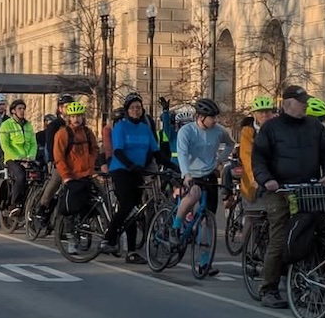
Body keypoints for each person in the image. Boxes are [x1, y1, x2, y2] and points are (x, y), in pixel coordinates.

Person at [252, 85, 325, 309]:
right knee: (280, 236)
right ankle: (269, 288)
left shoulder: (314, 126)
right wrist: (267, 179)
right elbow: (259, 159)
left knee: (314, 230)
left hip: (308, 189)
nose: (305, 105)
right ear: (287, 103)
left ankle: (308, 280)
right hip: (279, 189)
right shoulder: (270, 128)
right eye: (302, 102)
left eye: (305, 101)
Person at [173, 98, 234, 275]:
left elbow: (230, 144)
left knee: (207, 220)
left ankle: (204, 262)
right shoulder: (187, 131)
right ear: (200, 117)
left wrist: (220, 160)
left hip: (208, 174)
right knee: (193, 195)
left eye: (216, 117)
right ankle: (176, 225)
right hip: (190, 173)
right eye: (211, 117)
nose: (215, 120)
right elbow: (182, 154)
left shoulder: (218, 131)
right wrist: (186, 174)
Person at [100, 93, 161, 264]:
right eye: (133, 107)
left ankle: (132, 252)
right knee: (127, 206)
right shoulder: (121, 127)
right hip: (121, 171)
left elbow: (156, 152)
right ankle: (108, 238)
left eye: (138, 108)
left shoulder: (145, 129)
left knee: (134, 212)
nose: (136, 110)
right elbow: (118, 150)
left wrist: (174, 168)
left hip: (137, 172)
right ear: (127, 110)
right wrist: (130, 165)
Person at [54, 100, 99, 223]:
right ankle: (69, 230)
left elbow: (94, 149)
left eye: (79, 116)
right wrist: (66, 176)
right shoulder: (62, 134)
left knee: (97, 199)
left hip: (87, 173)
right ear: (69, 118)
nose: (76, 119)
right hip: (72, 175)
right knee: (72, 206)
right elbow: (59, 157)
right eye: (73, 116)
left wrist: (91, 163)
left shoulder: (88, 133)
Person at [37, 95, 75, 221]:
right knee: (56, 179)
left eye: (71, 106)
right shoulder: (55, 125)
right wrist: (53, 160)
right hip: (57, 159)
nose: (69, 109)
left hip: (73, 161)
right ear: (60, 108)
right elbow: (50, 144)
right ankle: (43, 205)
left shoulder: (75, 123)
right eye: (66, 106)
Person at [0, 99, 37, 216]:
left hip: (28, 158)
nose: (22, 111)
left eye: (23, 109)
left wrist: (30, 157)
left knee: (39, 177)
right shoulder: (5, 125)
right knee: (20, 176)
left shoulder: (28, 125)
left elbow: (33, 144)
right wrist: (19, 158)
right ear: (13, 111)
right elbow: (6, 146)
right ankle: (14, 204)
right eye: (19, 108)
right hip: (12, 159)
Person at [240, 96, 277, 209]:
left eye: (267, 111)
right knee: (252, 217)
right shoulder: (248, 131)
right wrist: (254, 177)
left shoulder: (278, 128)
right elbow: (247, 157)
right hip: (255, 179)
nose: (264, 115)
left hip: (275, 178)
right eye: (260, 112)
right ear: (254, 114)